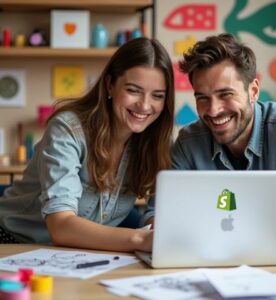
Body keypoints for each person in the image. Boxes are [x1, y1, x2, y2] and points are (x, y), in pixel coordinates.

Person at [0, 37, 175, 251]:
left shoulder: (157, 141)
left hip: (77, 254)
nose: (145, 105)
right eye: (133, 90)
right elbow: (61, 226)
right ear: (110, 85)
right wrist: (140, 239)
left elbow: (155, 210)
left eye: (157, 96)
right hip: (14, 243)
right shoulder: (68, 129)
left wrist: (156, 225)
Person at [173, 33, 276, 249]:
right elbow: (159, 215)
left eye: (225, 94)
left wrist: (241, 238)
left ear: (253, 91)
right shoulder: (188, 142)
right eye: (202, 98)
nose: (214, 110)